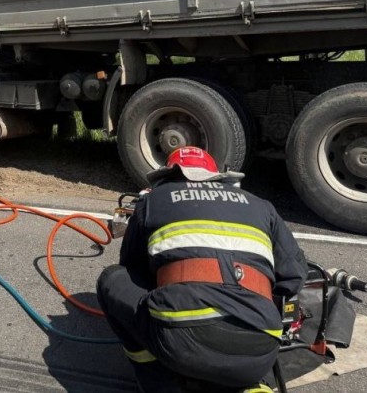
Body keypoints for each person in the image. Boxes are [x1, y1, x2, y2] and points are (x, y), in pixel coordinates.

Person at [97, 146, 308, 393]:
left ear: (166, 177)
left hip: (182, 342)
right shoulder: (261, 205)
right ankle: (249, 385)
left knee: (112, 279)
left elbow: (132, 269)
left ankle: (159, 382)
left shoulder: (154, 200)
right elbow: (294, 276)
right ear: (217, 177)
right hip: (261, 349)